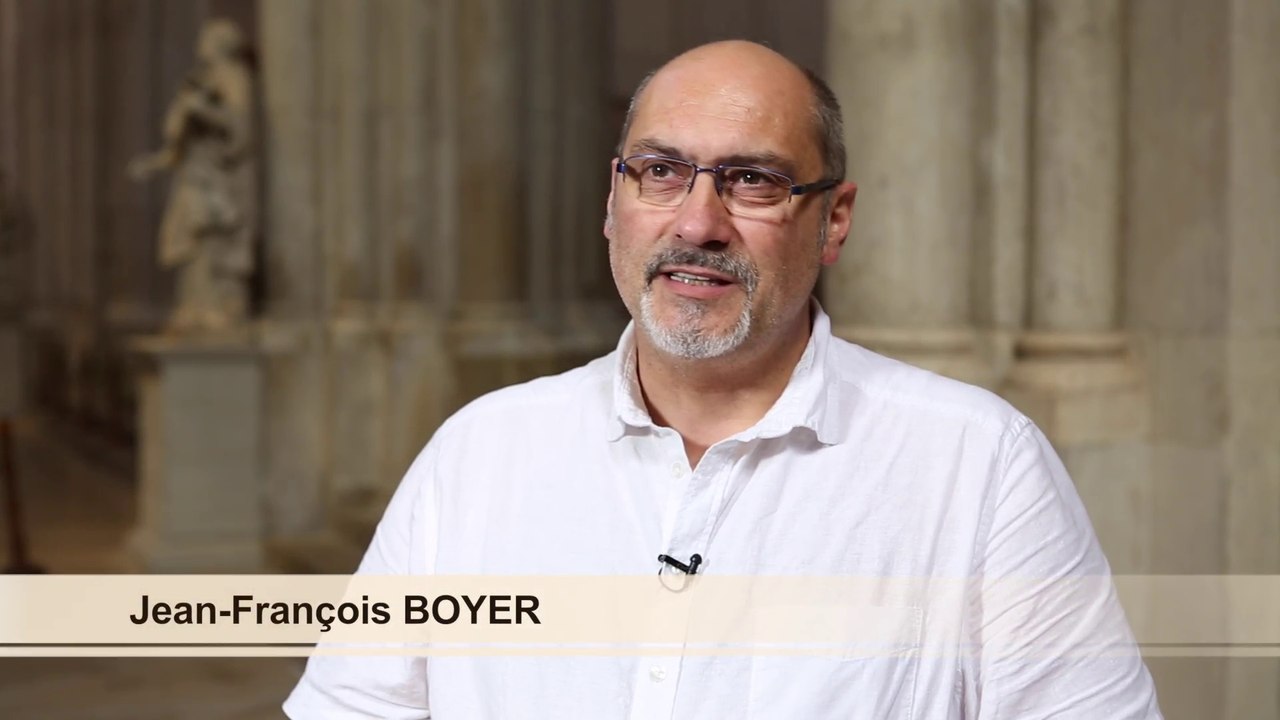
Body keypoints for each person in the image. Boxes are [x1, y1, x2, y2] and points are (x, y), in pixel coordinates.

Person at [284, 40, 1162, 718]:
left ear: (833, 219)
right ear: (612, 200)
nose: (697, 223)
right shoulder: (479, 453)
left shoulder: (978, 467)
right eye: (661, 172)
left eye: (751, 180)